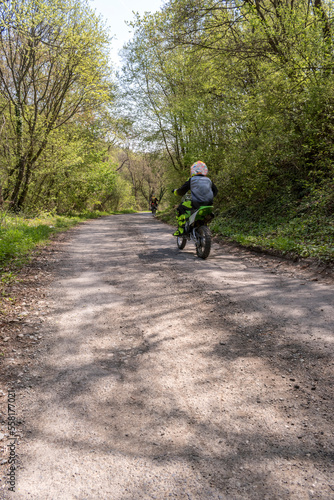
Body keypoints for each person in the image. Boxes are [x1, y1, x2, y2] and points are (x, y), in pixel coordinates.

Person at [172, 161, 218, 236]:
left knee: (180, 208)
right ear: (205, 170)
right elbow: (215, 191)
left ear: (193, 170)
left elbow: (181, 192)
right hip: (209, 203)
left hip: (196, 203)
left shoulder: (191, 180)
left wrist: (174, 191)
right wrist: (208, 197)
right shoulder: (209, 180)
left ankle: (181, 230)